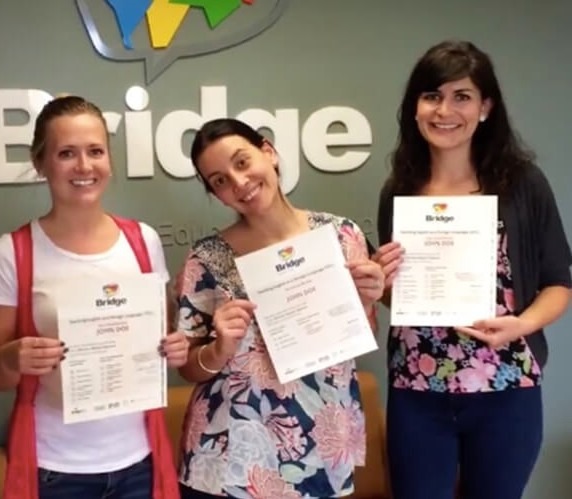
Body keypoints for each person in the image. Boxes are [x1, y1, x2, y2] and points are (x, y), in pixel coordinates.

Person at [375, 40, 572, 499]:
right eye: (432, 96)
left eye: (461, 96)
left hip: (507, 385)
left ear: (485, 107)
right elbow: (399, 294)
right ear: (416, 107)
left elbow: (559, 282)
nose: (445, 110)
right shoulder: (399, 189)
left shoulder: (523, 183)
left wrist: (520, 325)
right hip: (417, 390)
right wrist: (382, 283)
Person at [0, 95, 190, 499]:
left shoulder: (142, 240)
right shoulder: (13, 252)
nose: (84, 166)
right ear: (41, 163)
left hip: (140, 463)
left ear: (109, 159)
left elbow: (159, 335)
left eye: (95, 151)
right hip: (55, 470)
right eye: (66, 153)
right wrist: (10, 359)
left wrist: (174, 346)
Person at [172, 118, 384, 498]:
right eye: (219, 180)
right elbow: (189, 367)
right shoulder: (205, 260)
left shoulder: (340, 236)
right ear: (215, 194)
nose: (238, 183)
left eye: (242, 162)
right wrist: (219, 348)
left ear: (268, 152)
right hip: (226, 461)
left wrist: (367, 300)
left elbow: (359, 339)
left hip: (319, 449)